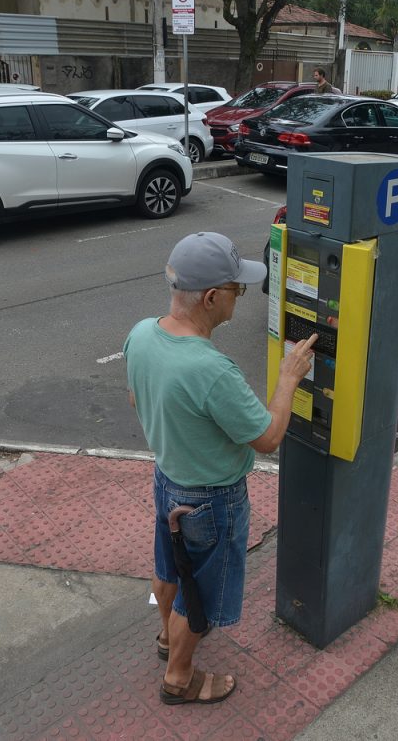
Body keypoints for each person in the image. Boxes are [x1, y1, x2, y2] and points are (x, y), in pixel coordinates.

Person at [124, 231, 317, 706]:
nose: (240, 298)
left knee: (169, 570)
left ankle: (167, 638)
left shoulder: (142, 333)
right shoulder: (212, 369)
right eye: (238, 289)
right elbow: (268, 437)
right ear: (212, 298)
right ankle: (179, 678)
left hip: (168, 481)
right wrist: (290, 377)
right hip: (211, 500)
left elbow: (138, 398)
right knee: (201, 596)